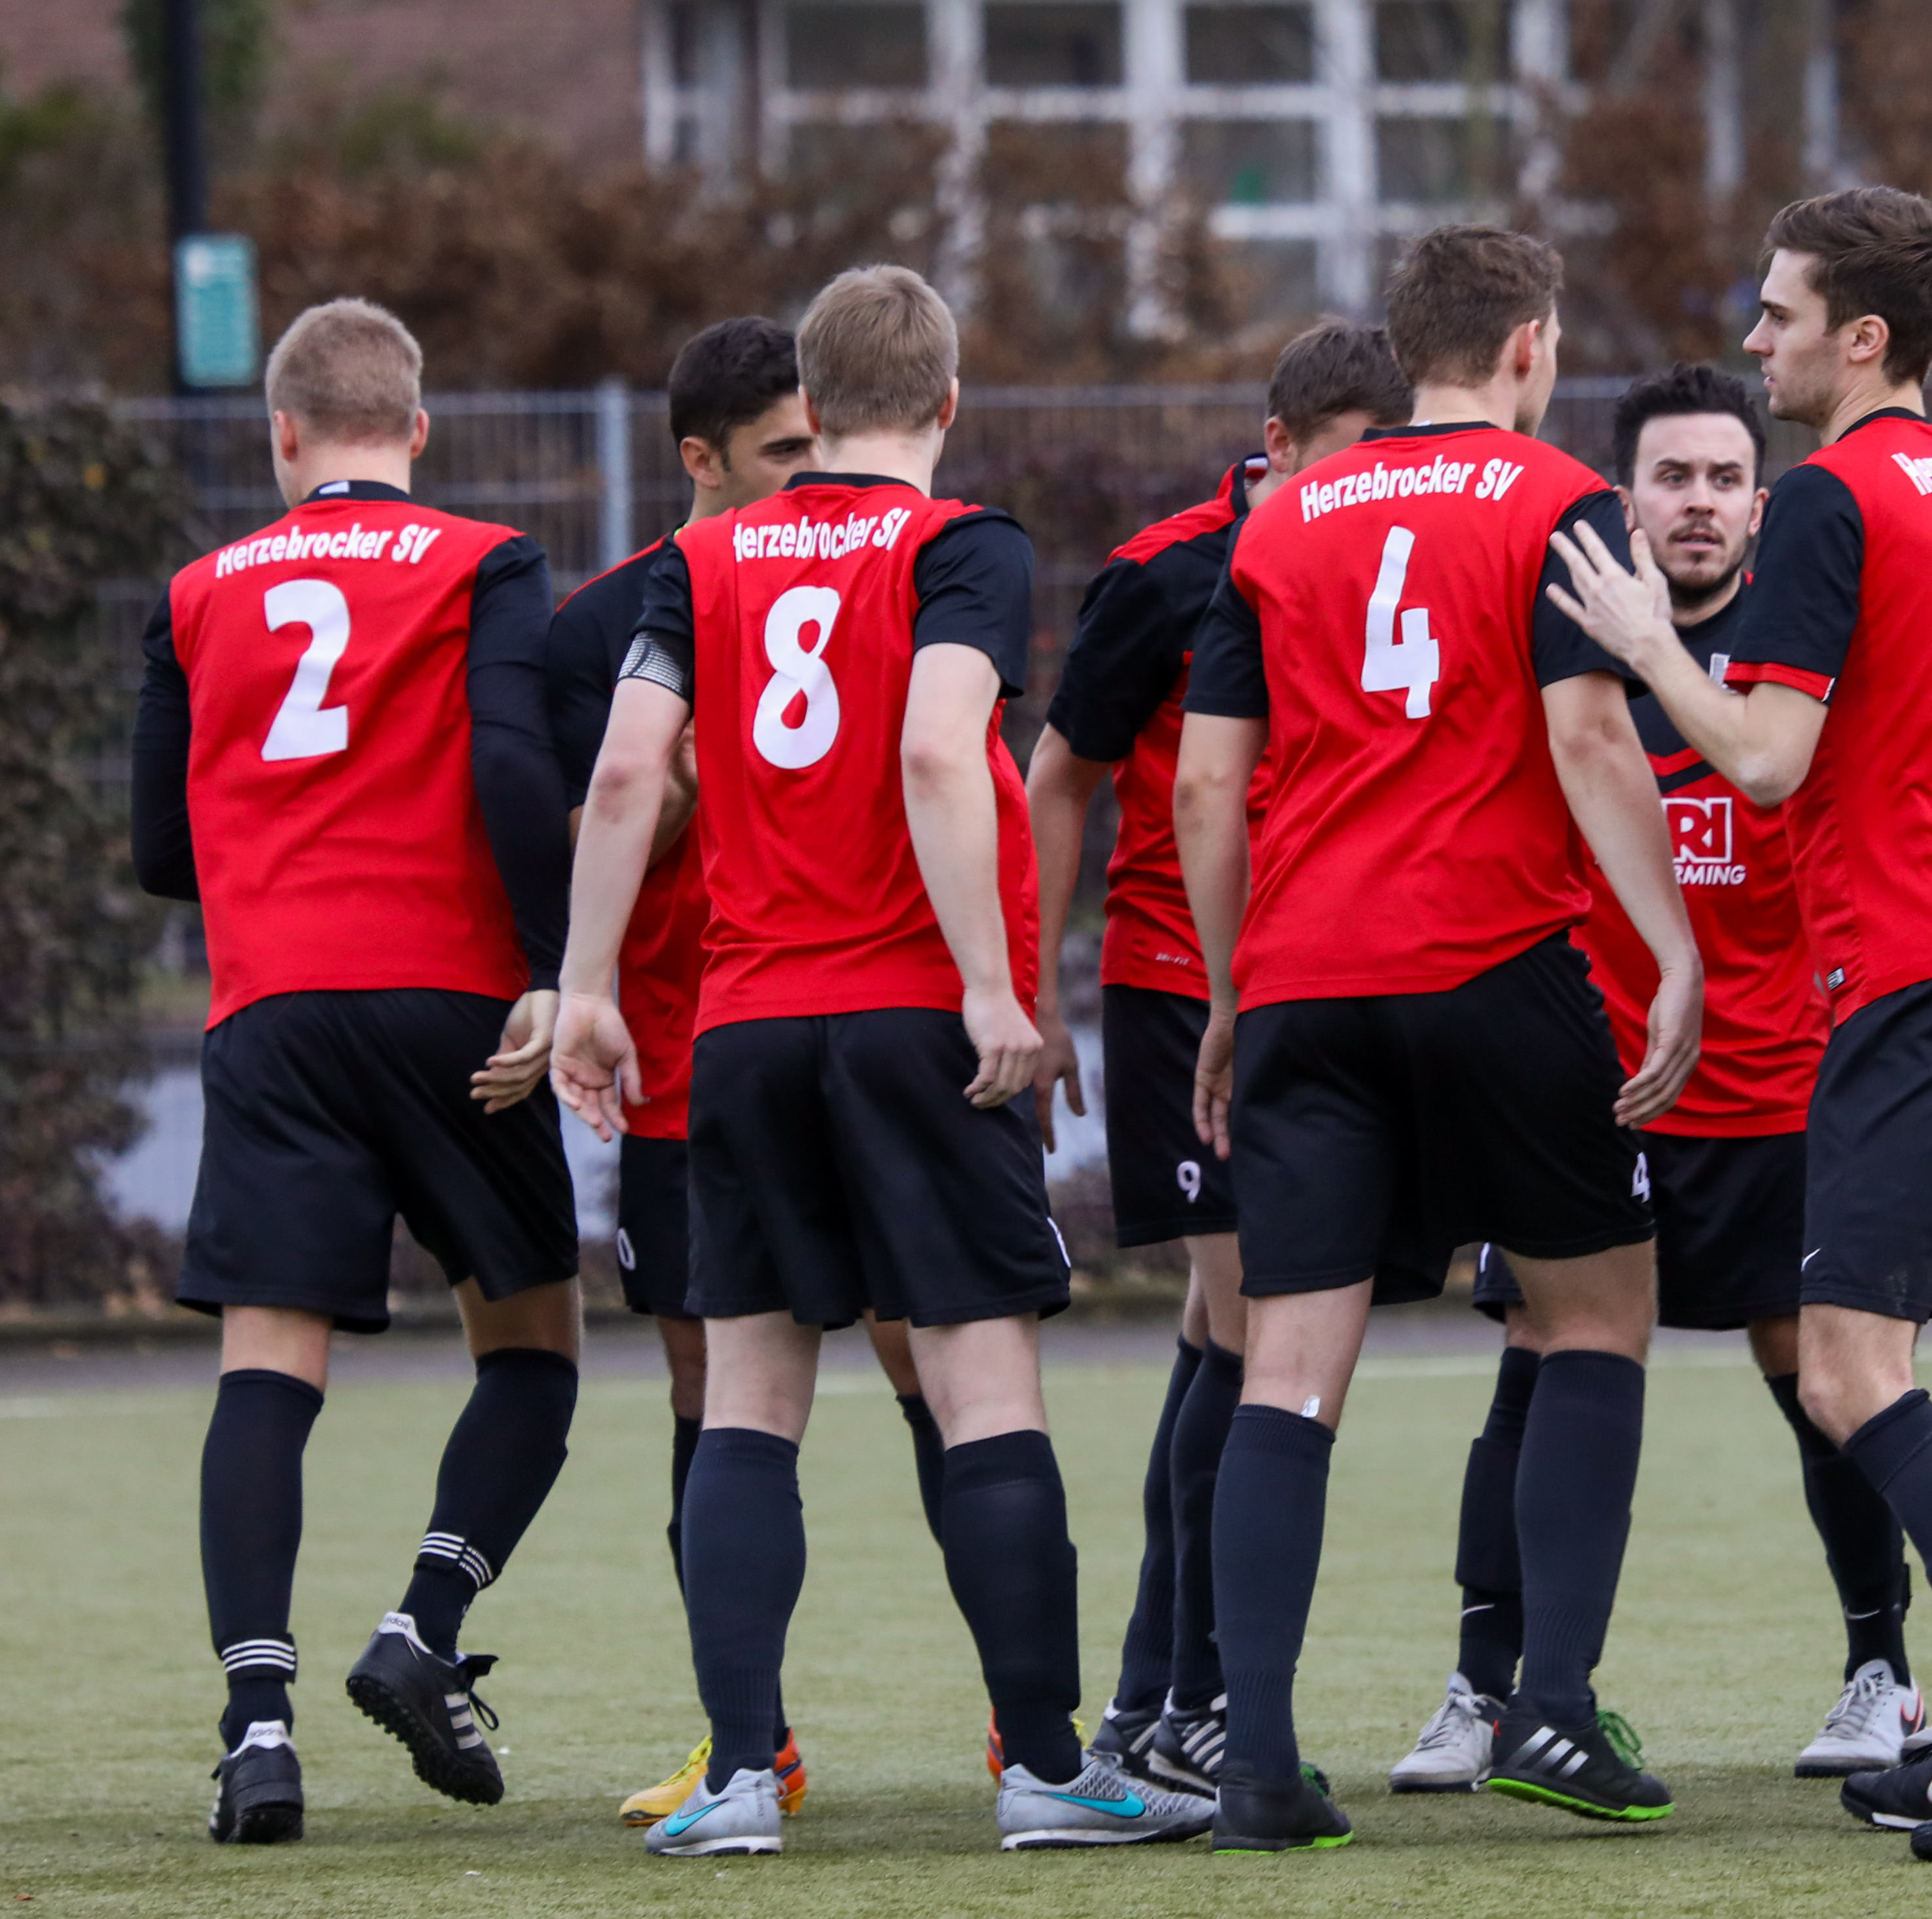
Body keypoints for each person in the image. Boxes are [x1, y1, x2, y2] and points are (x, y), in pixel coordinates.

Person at [553, 265, 1209, 1856]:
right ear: (947, 401)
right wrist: (994, 985)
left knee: (748, 1398)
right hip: (912, 1017)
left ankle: (737, 1780)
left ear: (814, 404)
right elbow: (935, 746)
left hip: (743, 1026)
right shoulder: (959, 545)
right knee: (982, 1388)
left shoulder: (699, 560)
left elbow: (627, 773)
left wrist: (583, 988)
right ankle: (1043, 1769)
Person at [1548, 186, 1932, 1862]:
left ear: (1860, 336)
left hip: (1920, 973)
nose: (1755, 340)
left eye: (1779, 312)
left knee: (1843, 1373)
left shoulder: (1827, 497)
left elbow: (1758, 760)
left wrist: (1651, 645)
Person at [1175, 225, 1701, 1854]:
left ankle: (1257, 1765)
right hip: (1494, 967)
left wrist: (1227, 995)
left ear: (1406, 351)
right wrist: (1676, 951)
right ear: (1529, 343)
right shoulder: (1558, 500)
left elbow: (1204, 783)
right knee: (1595, 1319)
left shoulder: (1279, 521)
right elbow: (1589, 736)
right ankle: (1552, 1708)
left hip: (1306, 986)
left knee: (1286, 1367)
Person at [1393, 363, 1924, 1792]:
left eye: (1724, 479)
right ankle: (1485, 1688)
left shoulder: (1793, 658)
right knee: (1534, 1359)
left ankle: (1881, 1669)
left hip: (1778, 1090)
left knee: (1819, 1376)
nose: (1698, 503)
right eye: (1671, 477)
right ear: (1622, 500)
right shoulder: (1567, 648)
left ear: (1761, 503)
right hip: (1599, 1089)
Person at [136, 298, 582, 1842]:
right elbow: (511, 762)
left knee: (267, 1369)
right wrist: (551, 960)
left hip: (274, 1008)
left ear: (281, 435)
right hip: (454, 1002)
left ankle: (256, 1730)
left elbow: (158, 848)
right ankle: (420, 1629)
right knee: (532, 1348)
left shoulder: (195, 592)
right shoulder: (486, 561)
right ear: (418, 430)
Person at [546, 318, 960, 1828]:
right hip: (692, 1052)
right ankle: (746, 1738)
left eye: (820, 439)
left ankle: (1018, 1721)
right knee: (710, 1387)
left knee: (932, 1364)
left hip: (863, 1022)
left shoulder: (896, 566)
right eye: (784, 451)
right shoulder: (613, 621)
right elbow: (591, 827)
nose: (813, 470)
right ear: (700, 461)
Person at [1022, 317, 1411, 1795]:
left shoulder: (1392, 559)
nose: (1363, 487)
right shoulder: (1170, 571)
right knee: (1251, 1331)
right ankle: (1185, 1700)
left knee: (1221, 1331)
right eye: (1344, 459)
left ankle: (1153, 1695)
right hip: (1185, 990)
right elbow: (1060, 775)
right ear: (1278, 446)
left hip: (1321, 987)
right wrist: (1035, 987)